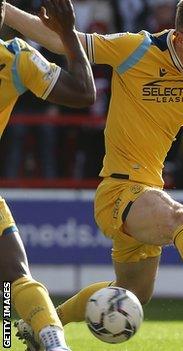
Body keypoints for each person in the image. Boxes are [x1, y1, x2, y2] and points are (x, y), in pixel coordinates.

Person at [5, 0, 183, 349]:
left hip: (147, 190)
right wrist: (6, 10)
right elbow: (60, 41)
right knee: (180, 217)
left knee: (132, 294)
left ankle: (42, 326)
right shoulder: (136, 48)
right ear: (178, 38)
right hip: (119, 190)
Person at [0, 0, 96, 350]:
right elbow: (84, 92)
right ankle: (53, 342)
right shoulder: (16, 59)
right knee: (14, 279)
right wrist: (68, 34)